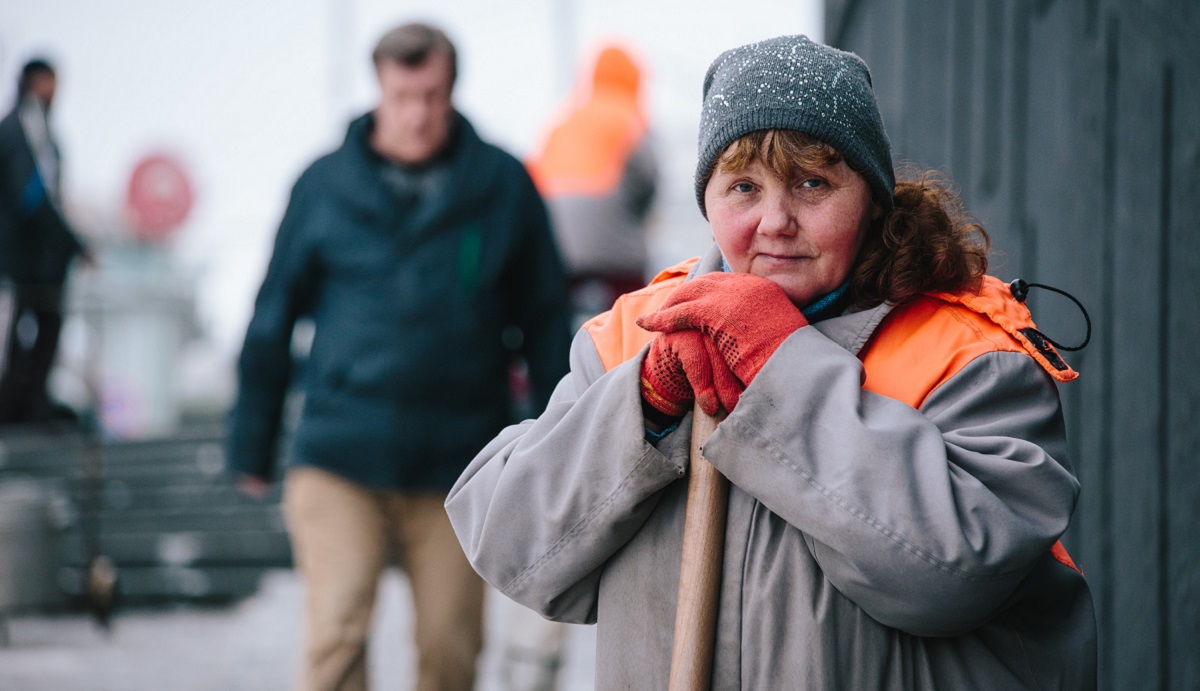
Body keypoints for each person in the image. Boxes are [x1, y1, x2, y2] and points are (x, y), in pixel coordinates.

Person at [446, 34, 1097, 689]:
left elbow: (955, 573)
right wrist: (644, 403)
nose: (776, 220)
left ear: (871, 197)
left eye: (813, 182)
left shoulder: (967, 353)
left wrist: (781, 366)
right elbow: (513, 547)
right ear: (707, 201)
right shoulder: (634, 336)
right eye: (743, 186)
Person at [226, 22, 572, 691]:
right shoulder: (323, 185)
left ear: (452, 89)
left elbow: (544, 319)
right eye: (404, 96)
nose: (419, 113)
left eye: (433, 96)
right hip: (339, 454)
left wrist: (557, 442)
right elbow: (271, 319)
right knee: (337, 629)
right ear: (380, 89)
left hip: (461, 460)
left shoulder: (503, 183)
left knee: (450, 649)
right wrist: (251, 446)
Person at [526, 43, 657, 328]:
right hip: (616, 255)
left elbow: (534, 182)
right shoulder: (629, 118)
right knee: (632, 324)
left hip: (557, 250)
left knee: (556, 324)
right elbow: (648, 181)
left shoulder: (561, 122)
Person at [0, 58, 88, 425]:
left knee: (40, 325)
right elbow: (32, 195)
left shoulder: (36, 126)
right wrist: (72, 242)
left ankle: (29, 403)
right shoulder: (23, 127)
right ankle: (19, 407)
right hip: (25, 258)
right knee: (26, 329)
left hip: (35, 258)